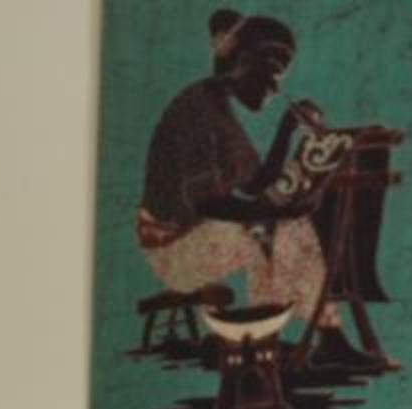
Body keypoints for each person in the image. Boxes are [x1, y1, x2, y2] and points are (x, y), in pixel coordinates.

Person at [137, 10, 326, 325]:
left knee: (282, 226)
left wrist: (286, 130)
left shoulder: (220, 110)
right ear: (242, 61)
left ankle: (311, 330)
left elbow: (255, 184)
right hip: (171, 249)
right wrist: (277, 212)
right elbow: (209, 204)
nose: (276, 85)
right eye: (272, 69)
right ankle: (271, 331)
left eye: (281, 75)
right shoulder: (197, 109)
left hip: (197, 236)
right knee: (273, 230)